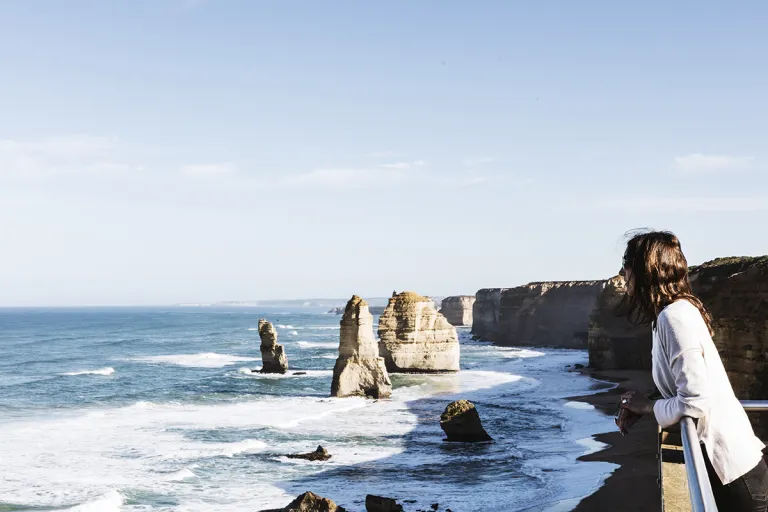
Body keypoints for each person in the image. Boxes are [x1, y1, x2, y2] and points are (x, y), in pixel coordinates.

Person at [616, 229, 768, 510]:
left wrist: (649, 409)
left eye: (626, 262)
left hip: (733, 471)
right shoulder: (669, 314)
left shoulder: (674, 317)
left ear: (645, 268)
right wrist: (646, 403)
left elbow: (695, 401)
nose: (622, 271)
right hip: (724, 466)